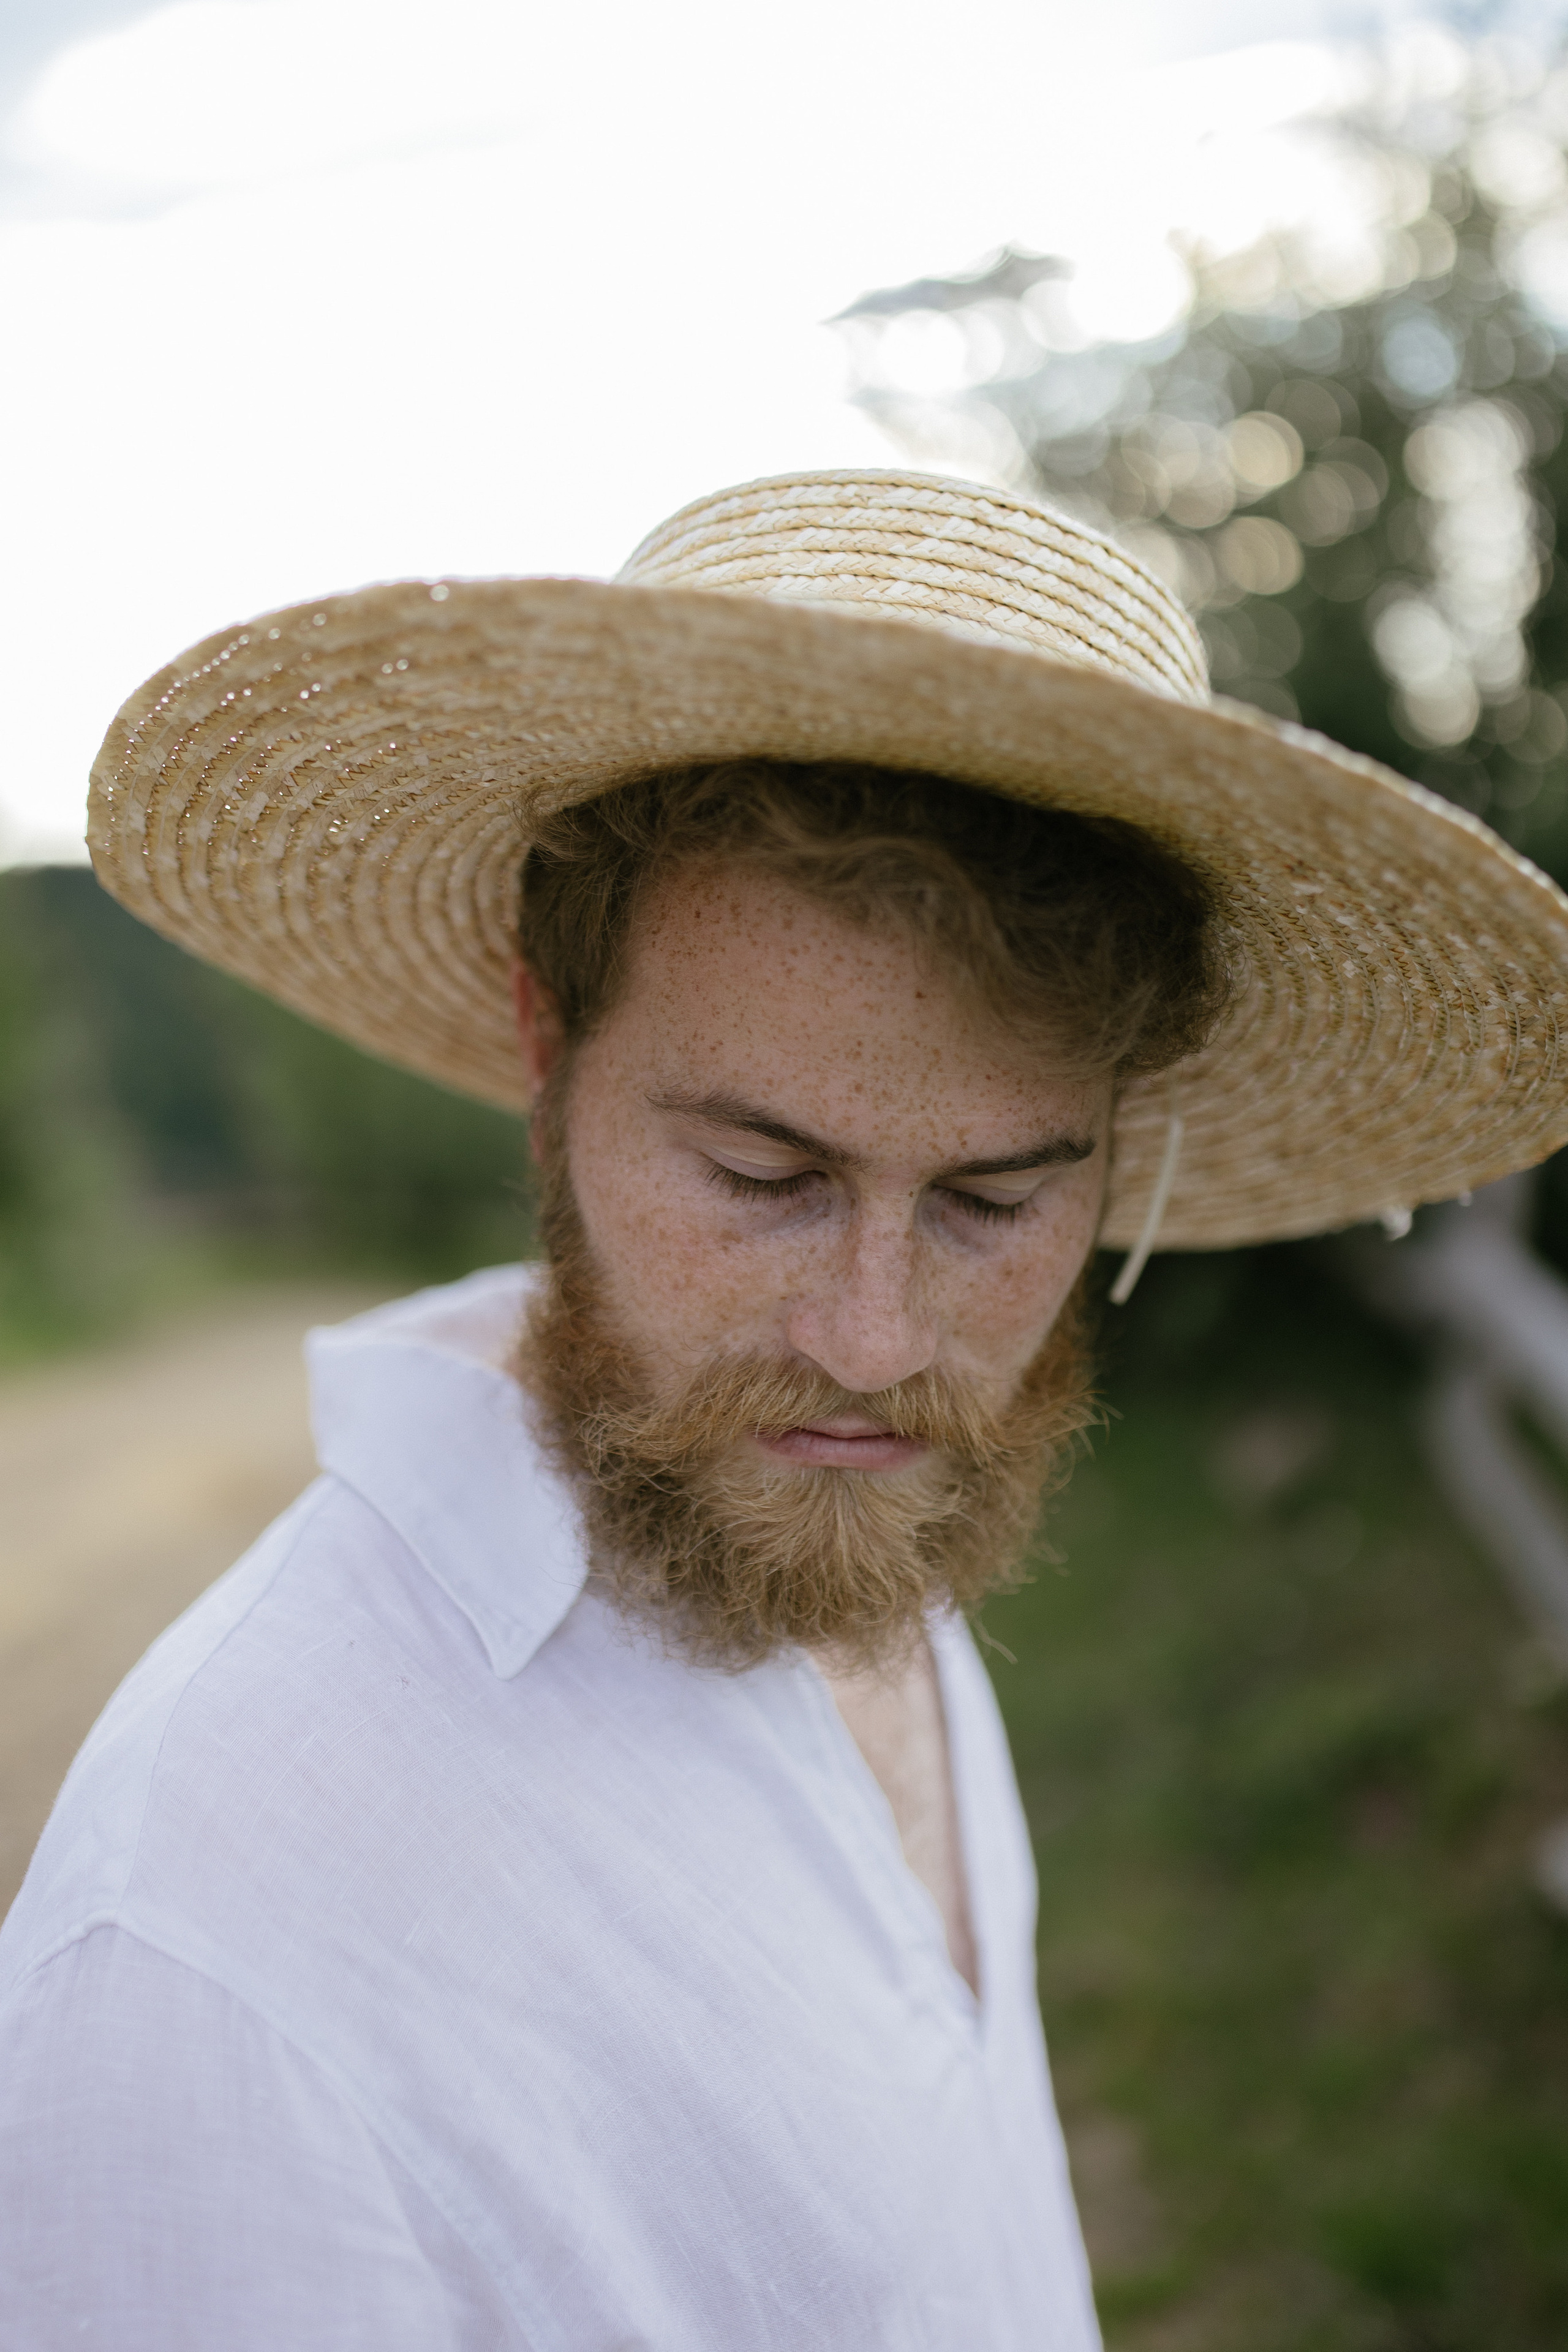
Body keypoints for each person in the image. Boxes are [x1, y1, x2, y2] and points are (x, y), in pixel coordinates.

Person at [2, 470, 1566, 2350]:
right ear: (542, 1051)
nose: (872, 1338)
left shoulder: (842, 1529)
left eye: (996, 1203)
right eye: (762, 1175)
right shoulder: (205, 1932)